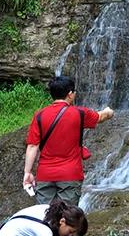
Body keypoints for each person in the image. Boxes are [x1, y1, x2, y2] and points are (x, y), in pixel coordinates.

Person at [23, 75, 114, 207]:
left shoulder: (40, 115)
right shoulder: (80, 113)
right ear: (70, 94)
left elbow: (32, 146)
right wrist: (109, 111)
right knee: (67, 217)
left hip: (45, 174)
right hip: (70, 174)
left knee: (44, 216)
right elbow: (101, 116)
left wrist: (27, 172)